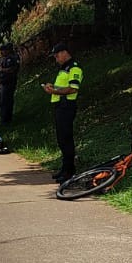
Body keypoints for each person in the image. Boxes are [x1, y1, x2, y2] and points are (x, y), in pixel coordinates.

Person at [42, 42, 84, 181]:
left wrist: (54, 91)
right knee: (61, 139)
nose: (56, 59)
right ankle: (65, 168)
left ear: (64, 52)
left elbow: (73, 88)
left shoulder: (74, 68)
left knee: (66, 139)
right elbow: (62, 86)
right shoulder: (64, 68)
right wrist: (52, 87)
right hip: (60, 106)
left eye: (57, 56)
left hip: (67, 106)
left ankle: (69, 171)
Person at [0, 43, 20, 126]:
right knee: (6, 100)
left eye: (3, 51)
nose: (1, 53)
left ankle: (5, 120)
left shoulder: (12, 58)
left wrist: (2, 69)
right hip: (4, 82)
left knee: (5, 101)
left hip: (9, 82)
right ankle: (6, 118)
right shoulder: (5, 58)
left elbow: (12, 69)